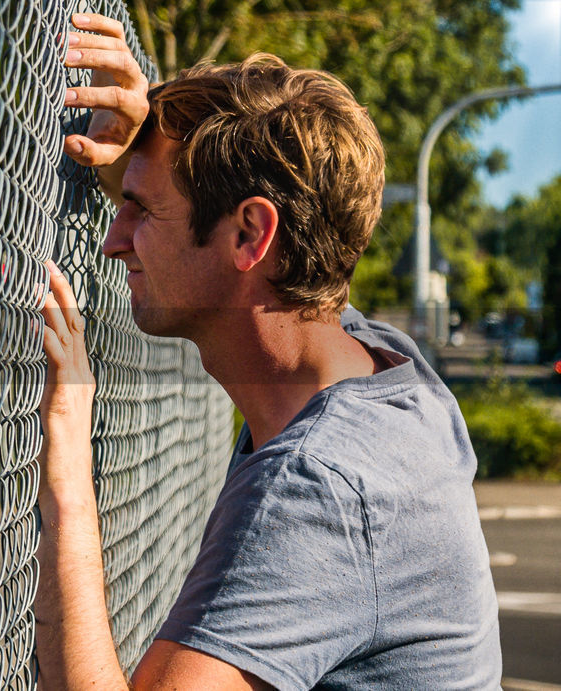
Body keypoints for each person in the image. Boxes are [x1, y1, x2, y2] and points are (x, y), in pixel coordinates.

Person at [34, 12, 501, 690]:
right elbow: (200, 220)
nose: (113, 239)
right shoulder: (383, 369)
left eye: (142, 210)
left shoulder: (319, 486)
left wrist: (67, 459)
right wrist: (150, 145)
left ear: (252, 233)